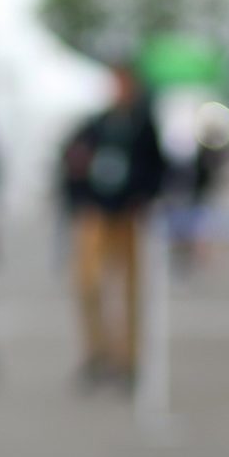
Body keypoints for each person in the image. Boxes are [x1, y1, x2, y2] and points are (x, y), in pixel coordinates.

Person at [61, 64, 165, 392]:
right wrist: (79, 200)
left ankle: (128, 357)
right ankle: (97, 351)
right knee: (88, 284)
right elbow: (72, 160)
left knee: (129, 288)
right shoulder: (95, 124)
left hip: (127, 214)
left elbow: (157, 167)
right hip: (96, 213)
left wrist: (143, 197)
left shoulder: (142, 125)